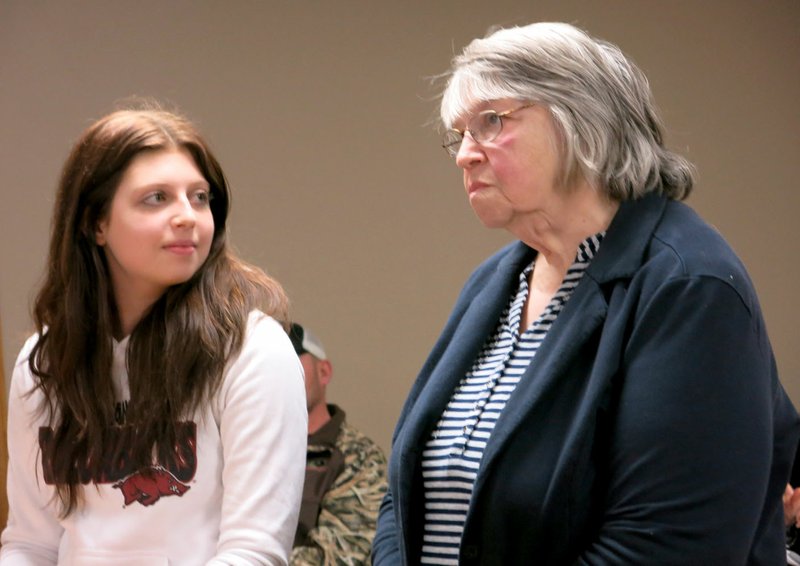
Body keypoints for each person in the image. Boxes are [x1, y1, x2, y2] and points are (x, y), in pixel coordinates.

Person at [372, 22, 799, 565]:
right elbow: (403, 495)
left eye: (490, 122)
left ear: (580, 118)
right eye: (458, 135)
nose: (464, 154)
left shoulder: (690, 286)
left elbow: (667, 546)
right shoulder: (493, 283)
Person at [0, 105, 307, 564]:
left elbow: (254, 552)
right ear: (95, 223)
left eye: (199, 197)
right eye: (156, 198)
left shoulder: (251, 350)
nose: (187, 216)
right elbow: (30, 543)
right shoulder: (44, 361)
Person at [288, 322, 387, 565]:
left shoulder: (359, 457)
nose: (281, 370)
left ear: (324, 372)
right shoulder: (243, 446)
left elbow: (340, 557)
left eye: (292, 359)